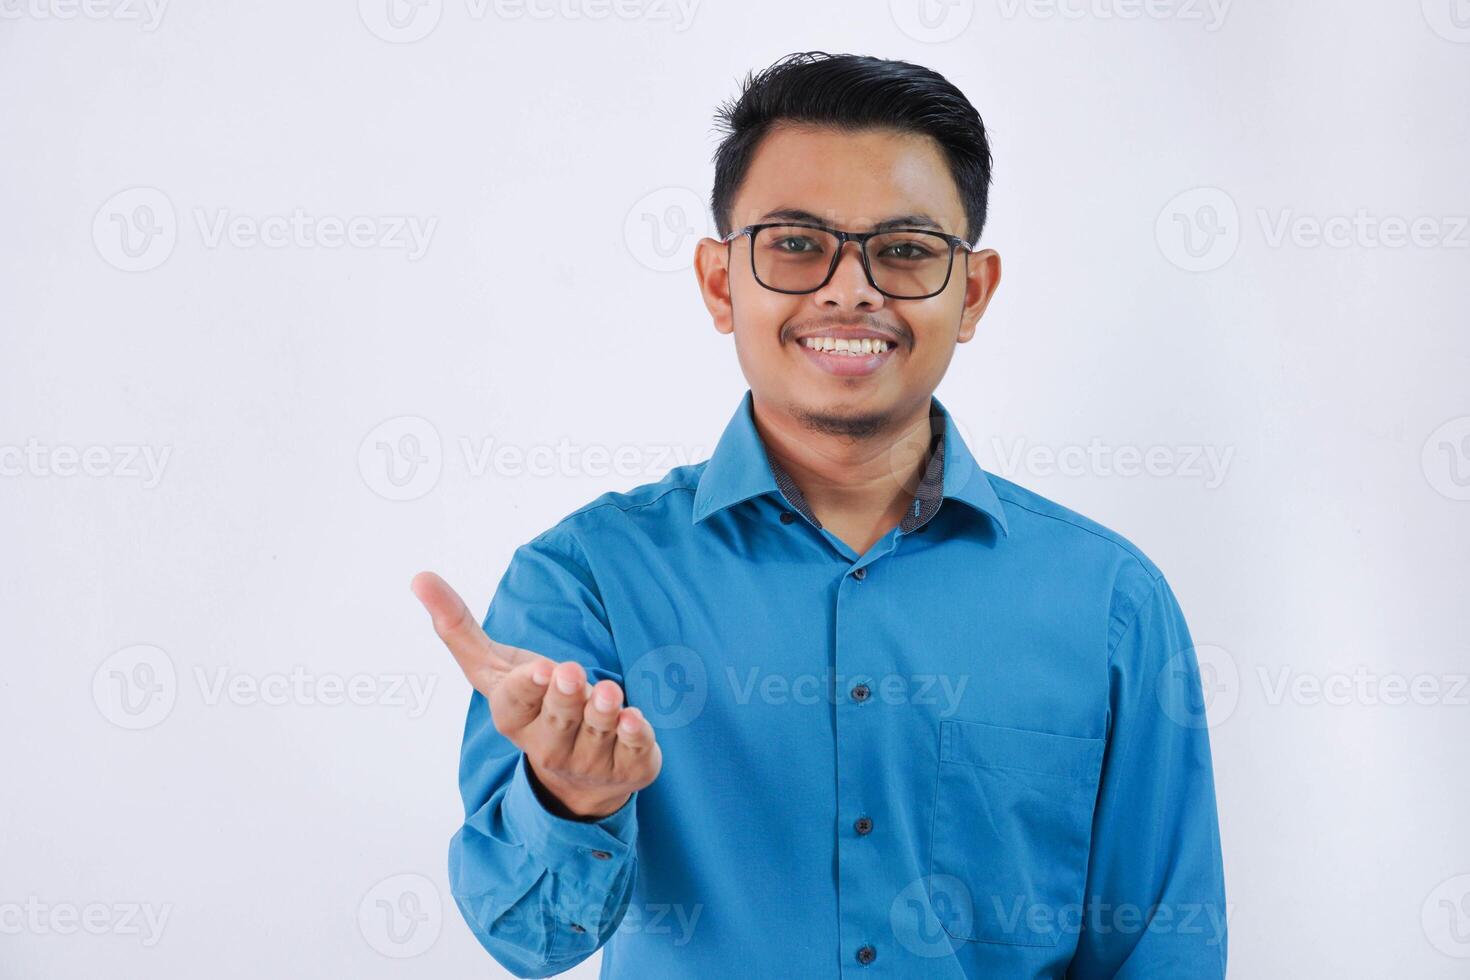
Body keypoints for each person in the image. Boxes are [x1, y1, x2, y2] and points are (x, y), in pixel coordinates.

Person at [412, 50, 1228, 979]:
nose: (851, 290)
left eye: (907, 250)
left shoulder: (1110, 603)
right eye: (796, 244)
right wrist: (570, 796)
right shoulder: (589, 580)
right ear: (722, 283)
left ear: (974, 292)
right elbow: (527, 939)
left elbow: (1162, 955)